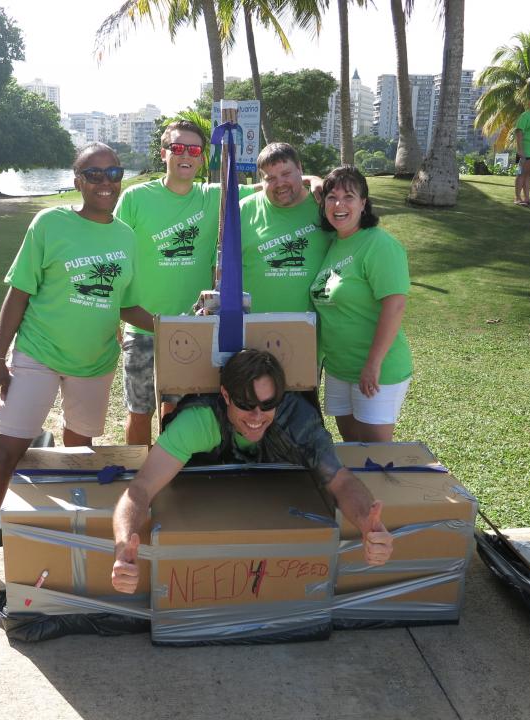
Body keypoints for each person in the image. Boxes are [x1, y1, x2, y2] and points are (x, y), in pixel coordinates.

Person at [0, 143, 152, 623]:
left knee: (78, 458)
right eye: (93, 173)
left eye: (113, 172)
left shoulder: (125, 237)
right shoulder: (50, 224)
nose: (105, 182)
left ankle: (64, 557)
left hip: (95, 364)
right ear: (77, 180)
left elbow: (127, 305)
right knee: (4, 454)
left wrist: (176, 326)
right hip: (37, 356)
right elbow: (18, 294)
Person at [110, 350, 393, 593]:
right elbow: (141, 487)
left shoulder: (300, 424)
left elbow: (341, 481)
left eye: (268, 404)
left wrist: (368, 524)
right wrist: (123, 547)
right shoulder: (199, 421)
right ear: (225, 396)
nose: (257, 417)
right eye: (246, 404)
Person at [114, 120, 260, 447]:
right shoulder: (136, 198)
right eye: (178, 148)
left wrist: (313, 180)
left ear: (201, 158)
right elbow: (116, 257)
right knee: (140, 411)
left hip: (192, 331)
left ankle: (171, 472)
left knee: (179, 409)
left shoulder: (214, 198)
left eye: (194, 150)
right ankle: (139, 474)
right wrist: (115, 319)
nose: (186, 155)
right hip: (143, 330)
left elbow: (269, 188)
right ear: (163, 152)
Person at [310, 166, 412, 444]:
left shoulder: (379, 244)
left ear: (364, 203)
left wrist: (372, 364)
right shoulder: (334, 242)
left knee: (375, 457)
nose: (339, 205)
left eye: (349, 196)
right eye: (332, 197)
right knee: (352, 449)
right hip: (339, 368)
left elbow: (395, 305)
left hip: (376, 369)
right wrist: (313, 181)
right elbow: (308, 183)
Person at [240, 142, 330, 312]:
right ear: (261, 180)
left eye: (286, 174)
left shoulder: (323, 206)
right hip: (254, 328)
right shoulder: (243, 210)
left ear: (300, 170)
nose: (280, 183)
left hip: (313, 329)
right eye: (270, 178)